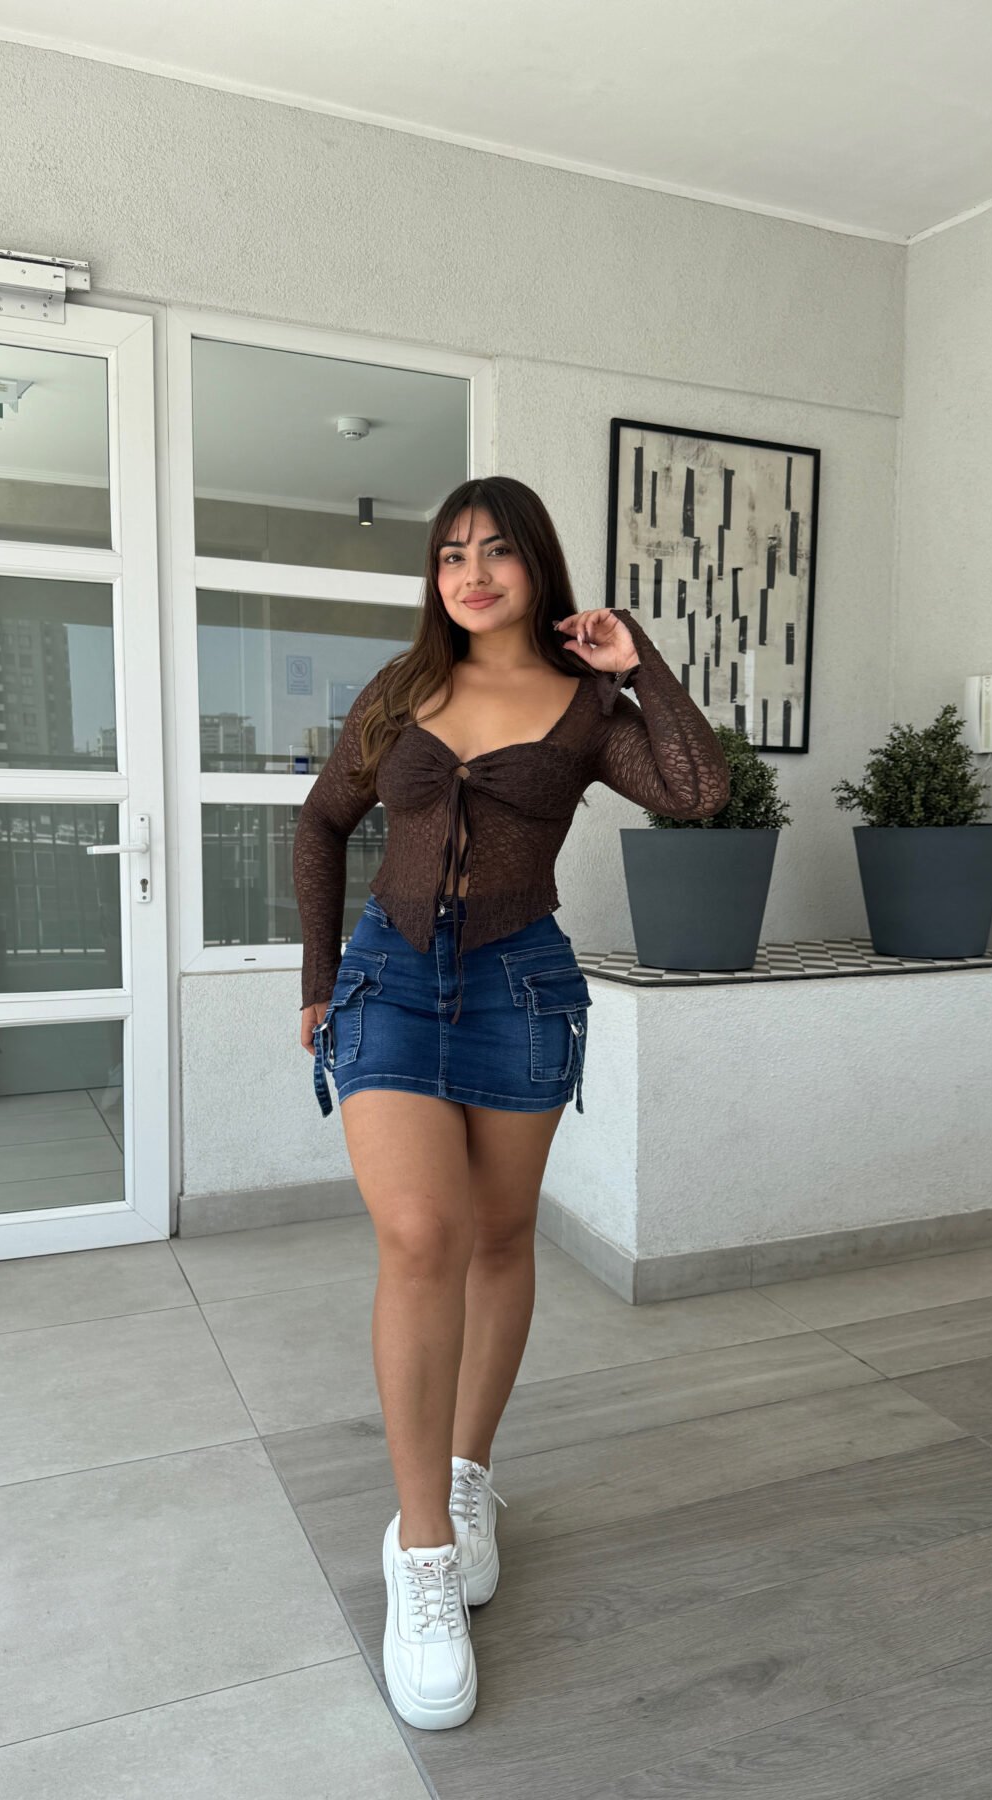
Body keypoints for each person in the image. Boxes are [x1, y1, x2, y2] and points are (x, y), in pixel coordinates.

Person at [293, 475, 729, 1730]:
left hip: (520, 987)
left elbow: (696, 791)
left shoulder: (590, 707)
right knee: (421, 1235)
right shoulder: (401, 690)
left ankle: (466, 1474)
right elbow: (321, 825)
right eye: (450, 555)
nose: (471, 573)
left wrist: (642, 666)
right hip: (387, 979)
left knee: (496, 1239)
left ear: (537, 565)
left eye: (495, 551)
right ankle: (422, 1552)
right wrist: (317, 981)